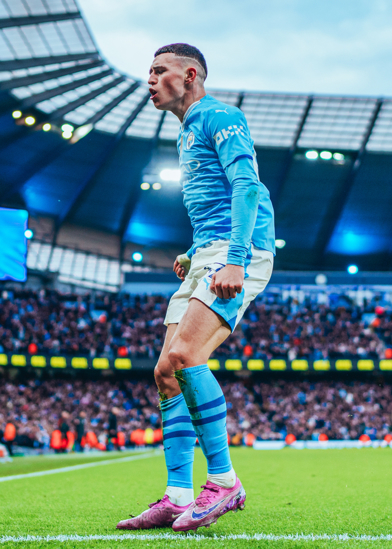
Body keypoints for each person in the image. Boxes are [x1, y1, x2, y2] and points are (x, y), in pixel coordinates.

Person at [118, 43, 274, 532]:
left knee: (186, 358)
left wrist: (234, 259)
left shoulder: (219, 115)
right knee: (165, 371)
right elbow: (215, 204)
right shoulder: (187, 135)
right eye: (148, 71)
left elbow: (247, 187)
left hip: (237, 250)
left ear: (189, 75)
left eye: (158, 70)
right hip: (208, 250)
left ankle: (225, 482)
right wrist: (194, 251)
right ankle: (178, 493)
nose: (149, 79)